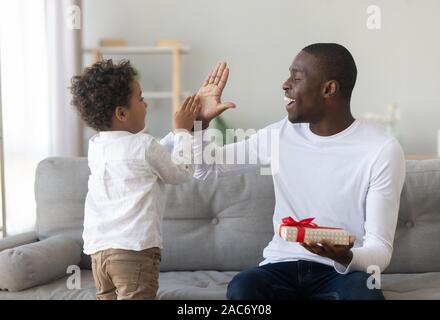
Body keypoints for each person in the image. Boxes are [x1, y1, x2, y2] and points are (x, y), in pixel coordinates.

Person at [190, 43, 406, 300]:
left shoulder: (381, 149)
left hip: (342, 272)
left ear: (329, 89)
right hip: (281, 266)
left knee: (365, 295)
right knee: (243, 288)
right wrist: (200, 122)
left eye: (296, 77)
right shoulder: (278, 135)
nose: (285, 84)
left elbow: (379, 250)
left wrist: (345, 256)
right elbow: (205, 169)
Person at [70, 59, 199, 300]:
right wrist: (182, 132)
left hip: (99, 252)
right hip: (134, 251)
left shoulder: (97, 147)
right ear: (121, 112)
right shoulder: (143, 145)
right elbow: (182, 173)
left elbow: (144, 157)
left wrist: (175, 134)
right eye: (140, 98)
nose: (146, 103)